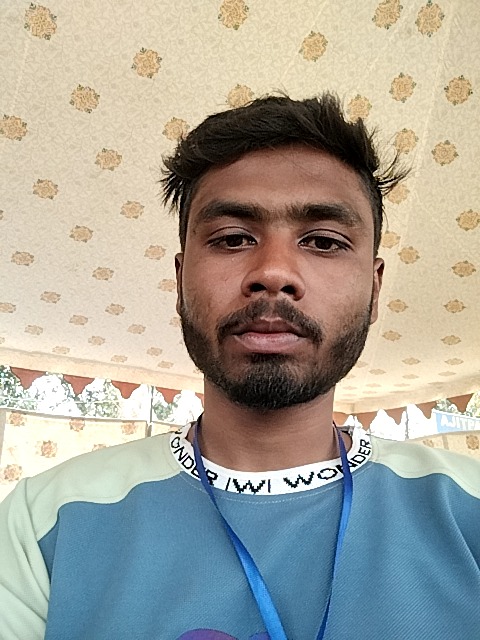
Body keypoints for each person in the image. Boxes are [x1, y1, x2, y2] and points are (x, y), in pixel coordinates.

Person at [1, 93, 479, 640]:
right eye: (233, 239)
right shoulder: (43, 520)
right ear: (180, 280)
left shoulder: (468, 505)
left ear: (374, 288)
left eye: (323, 241)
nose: (274, 272)